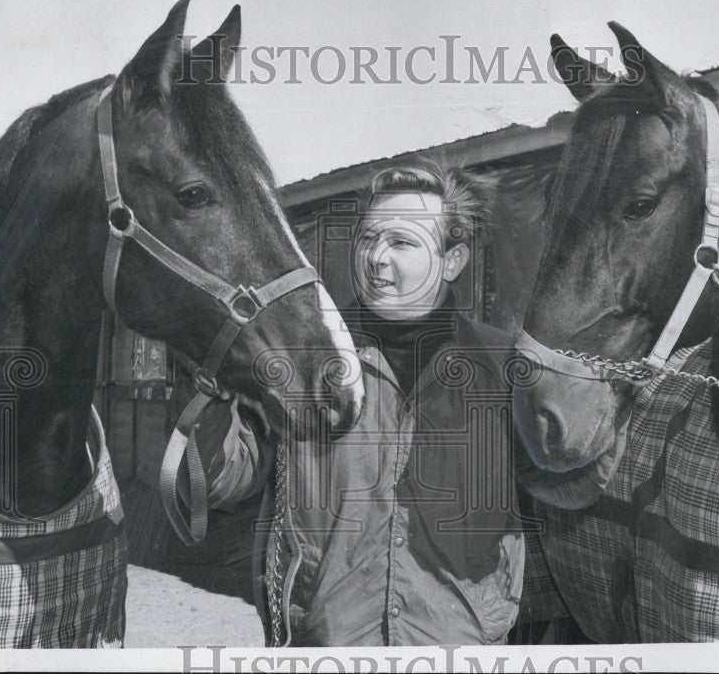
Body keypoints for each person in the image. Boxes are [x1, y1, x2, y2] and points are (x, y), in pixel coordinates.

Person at [190, 160, 525, 646]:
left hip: (459, 645)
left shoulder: (503, 368)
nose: (376, 259)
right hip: (329, 641)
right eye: (368, 239)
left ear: (453, 260)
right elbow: (219, 484)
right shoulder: (300, 362)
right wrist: (208, 392)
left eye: (402, 242)